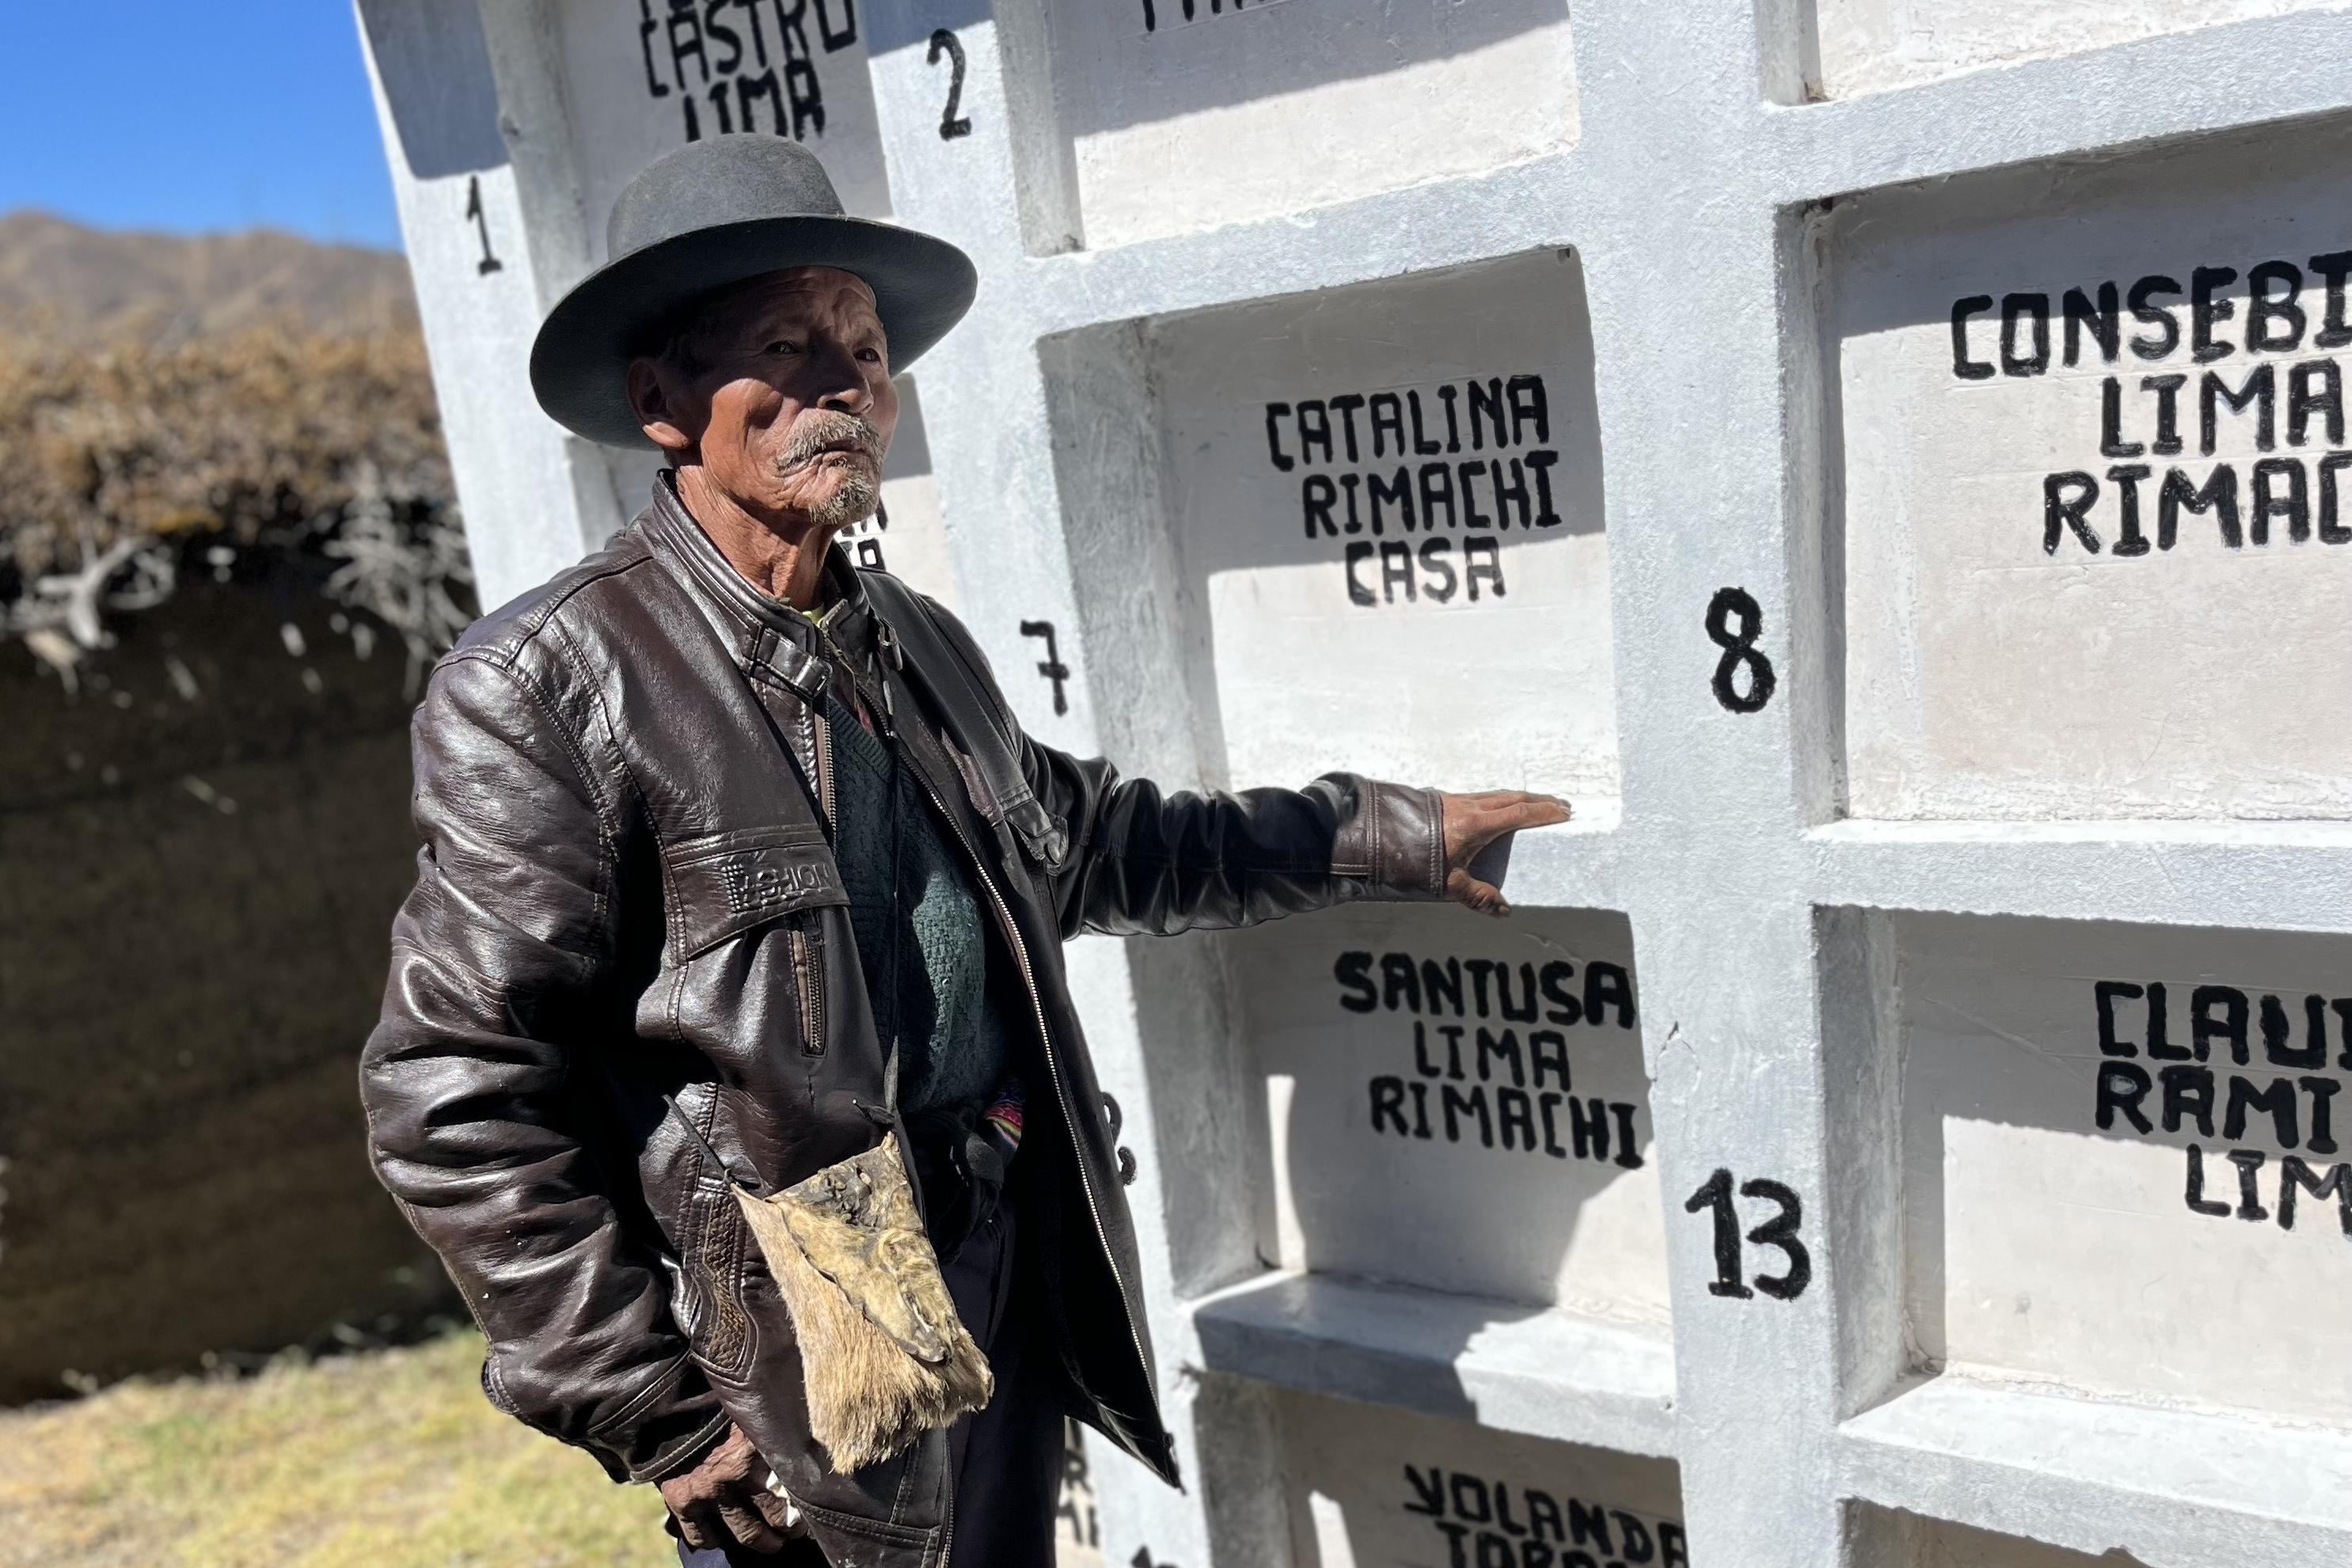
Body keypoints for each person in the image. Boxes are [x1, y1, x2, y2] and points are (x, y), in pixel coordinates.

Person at [358, 135, 1568, 1567]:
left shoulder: (911, 642)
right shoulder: (551, 682)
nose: (842, 384)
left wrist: (1386, 833)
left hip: (995, 1231)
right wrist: (650, 1408)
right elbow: (451, 1087)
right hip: (808, 1315)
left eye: (863, 349)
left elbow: (1102, 841)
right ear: (661, 405)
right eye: (784, 348)